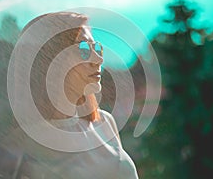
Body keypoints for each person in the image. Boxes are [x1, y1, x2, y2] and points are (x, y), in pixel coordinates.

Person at [11, 12, 139, 179]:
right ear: (50, 61)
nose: (98, 59)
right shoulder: (28, 147)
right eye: (83, 49)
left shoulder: (104, 122)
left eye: (97, 47)